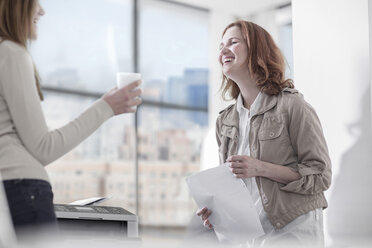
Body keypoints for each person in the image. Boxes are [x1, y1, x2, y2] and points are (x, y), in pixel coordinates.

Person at [0, 0, 142, 235]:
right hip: (23, 190)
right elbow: (43, 148)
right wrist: (106, 107)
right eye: (36, 3)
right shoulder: (11, 52)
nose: (42, 11)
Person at [196, 20, 332, 247]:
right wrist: (218, 212)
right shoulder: (225, 120)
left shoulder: (292, 106)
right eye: (221, 46)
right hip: (251, 237)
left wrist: (260, 168)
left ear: (256, 50)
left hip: (293, 229)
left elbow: (320, 175)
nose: (223, 51)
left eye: (233, 42)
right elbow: (234, 185)